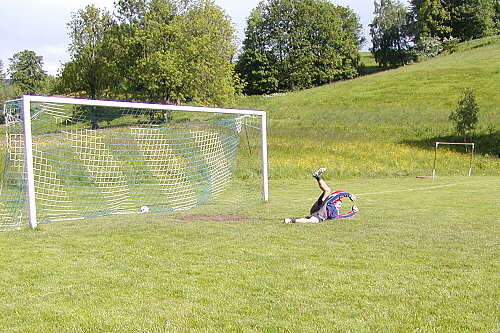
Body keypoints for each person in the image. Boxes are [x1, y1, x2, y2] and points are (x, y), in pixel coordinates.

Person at [283, 168, 358, 224]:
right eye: (339, 203)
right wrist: (349, 195)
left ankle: (291, 220)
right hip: (322, 206)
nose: (340, 205)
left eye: (340, 205)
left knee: (313, 220)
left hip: (320, 213)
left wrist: (353, 212)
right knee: (327, 190)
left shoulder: (335, 213)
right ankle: (317, 176)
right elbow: (338, 194)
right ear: (335, 202)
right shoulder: (330, 201)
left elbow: (340, 216)